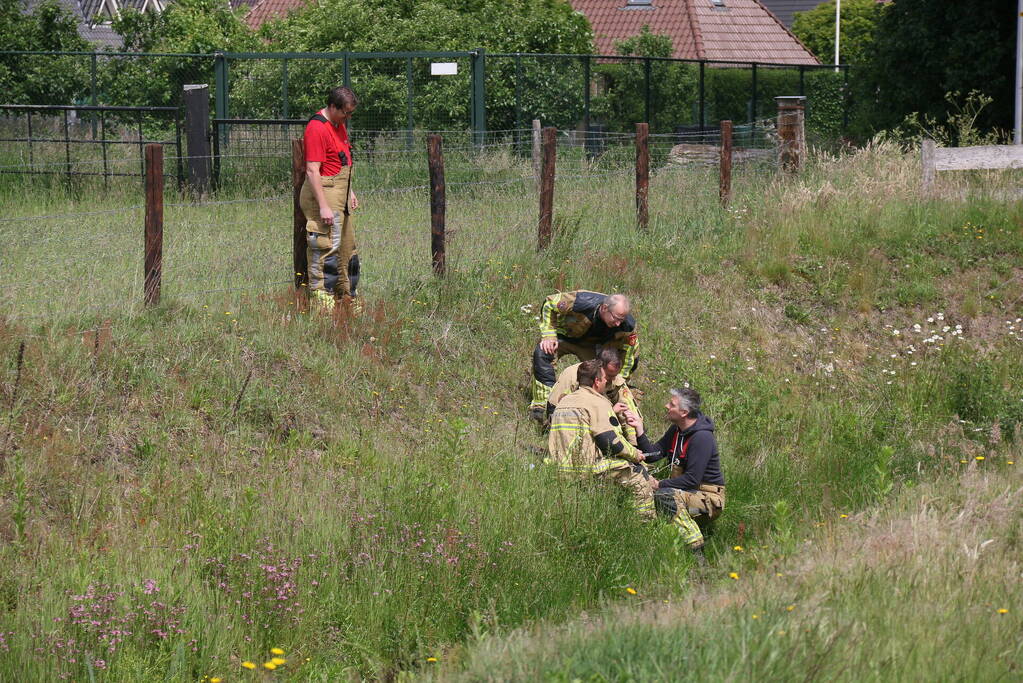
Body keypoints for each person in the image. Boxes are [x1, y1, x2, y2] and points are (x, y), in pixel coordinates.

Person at [547, 359, 657, 519]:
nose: (608, 382)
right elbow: (609, 442)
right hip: (586, 469)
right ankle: (645, 523)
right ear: (597, 381)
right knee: (637, 474)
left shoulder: (564, 402)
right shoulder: (599, 402)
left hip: (560, 469)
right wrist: (634, 454)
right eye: (606, 379)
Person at [626, 387, 725, 553]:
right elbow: (653, 454)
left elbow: (692, 480)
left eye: (671, 404)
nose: (666, 406)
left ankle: (696, 550)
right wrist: (639, 429)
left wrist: (659, 484)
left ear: (684, 412)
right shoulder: (677, 430)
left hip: (707, 506)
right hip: (687, 496)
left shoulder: (702, 438)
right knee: (658, 497)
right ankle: (666, 545)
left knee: (664, 496)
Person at [529, 290, 638, 422]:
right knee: (543, 353)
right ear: (604, 308)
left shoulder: (627, 326)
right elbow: (549, 303)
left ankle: (594, 412)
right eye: (616, 318)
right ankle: (543, 406)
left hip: (594, 347)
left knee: (602, 376)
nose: (618, 324)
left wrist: (621, 378)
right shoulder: (581, 301)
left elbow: (629, 353)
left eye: (622, 320)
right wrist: (548, 335)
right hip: (565, 337)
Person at [299, 86, 362, 312]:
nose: (348, 117)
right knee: (326, 248)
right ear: (333, 107)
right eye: (345, 112)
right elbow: (312, 171)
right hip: (324, 195)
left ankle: (347, 300)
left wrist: (349, 191)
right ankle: (322, 308)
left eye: (350, 113)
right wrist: (324, 207)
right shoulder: (316, 128)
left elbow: (342, 161)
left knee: (347, 250)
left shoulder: (339, 125)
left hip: (340, 194)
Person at [546, 347, 642, 444]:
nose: (612, 380)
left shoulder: (616, 379)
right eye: (609, 375)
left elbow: (629, 410)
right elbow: (555, 409)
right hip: (573, 425)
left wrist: (634, 444)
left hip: (600, 424)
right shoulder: (572, 375)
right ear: (599, 366)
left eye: (615, 375)